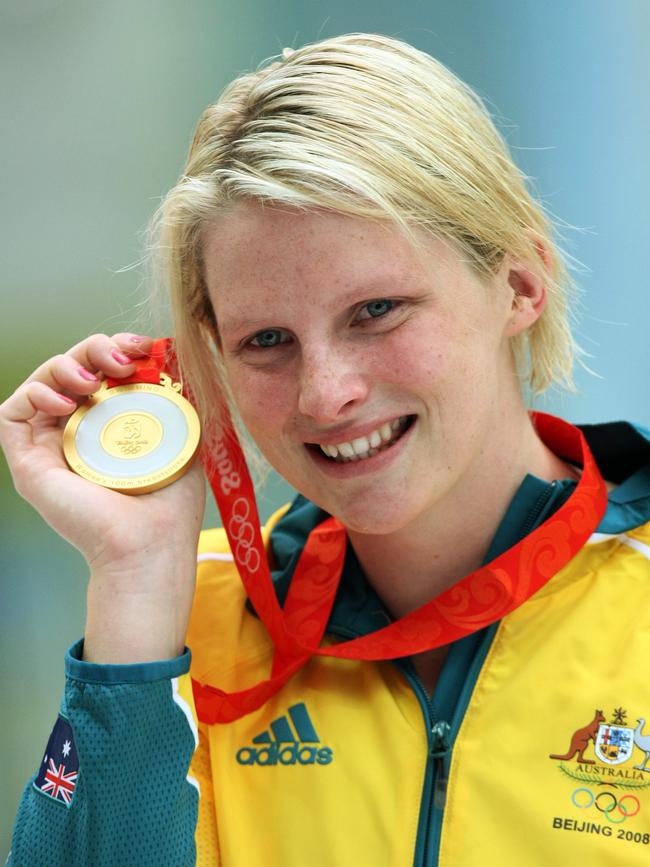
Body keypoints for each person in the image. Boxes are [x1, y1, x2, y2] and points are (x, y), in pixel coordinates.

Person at [2, 32, 649, 867]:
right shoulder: (174, 634)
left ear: (522, 283)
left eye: (376, 310)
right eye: (267, 338)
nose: (324, 393)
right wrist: (135, 575)